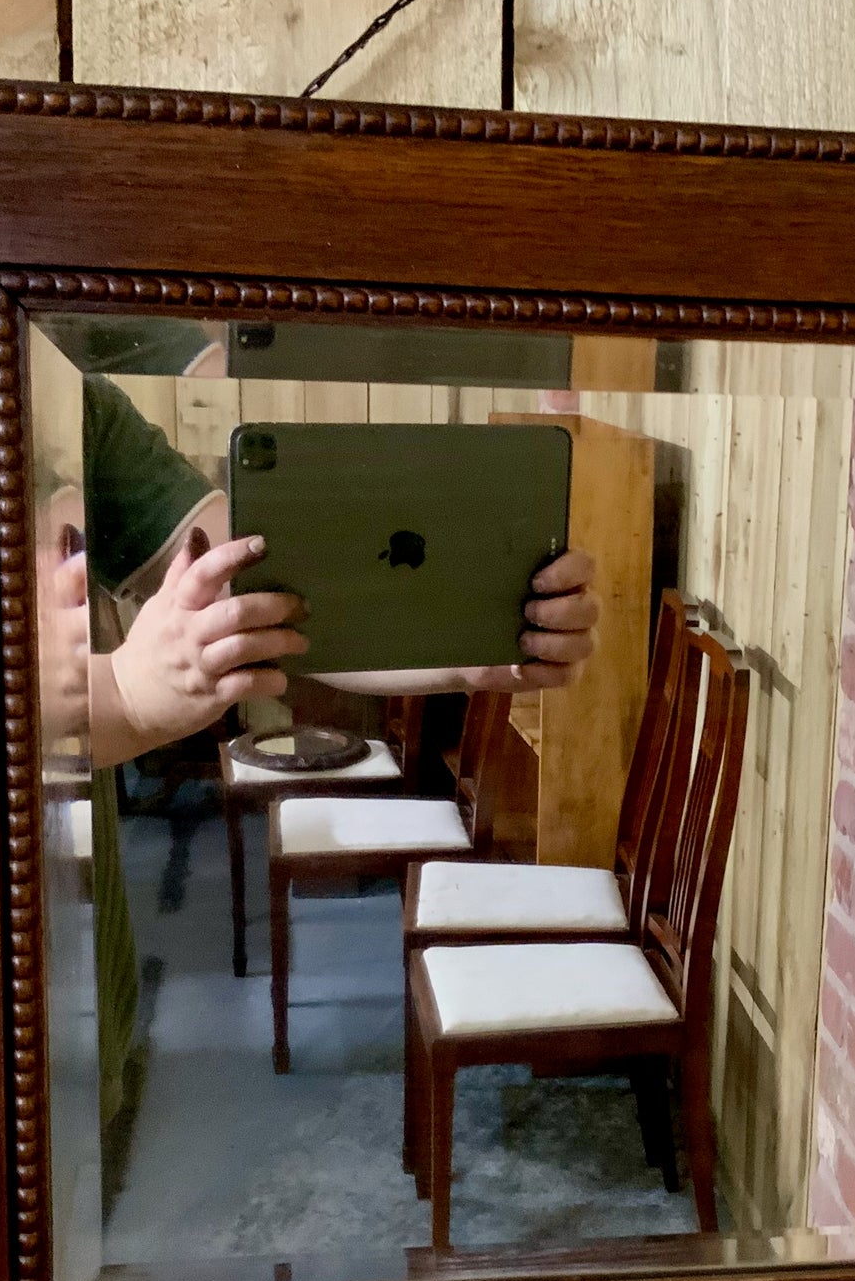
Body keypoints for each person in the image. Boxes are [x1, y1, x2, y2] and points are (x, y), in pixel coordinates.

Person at [53, 362, 599, 1134]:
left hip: (73, 945)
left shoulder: (85, 408)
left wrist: (469, 655)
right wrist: (125, 694)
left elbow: (275, 594)